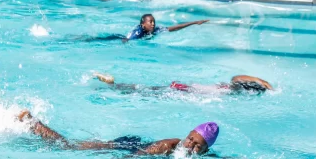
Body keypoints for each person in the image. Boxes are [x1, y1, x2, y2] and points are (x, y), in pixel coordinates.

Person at [17, 110, 219, 156]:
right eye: (191, 138)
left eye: (197, 145)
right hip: (126, 147)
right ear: (189, 133)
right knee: (69, 147)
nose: (190, 145)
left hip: (135, 144)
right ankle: (33, 123)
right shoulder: (168, 146)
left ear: (205, 150)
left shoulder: (202, 156)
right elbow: (136, 157)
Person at [93, 73, 274, 95]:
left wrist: (262, 81)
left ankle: (115, 86)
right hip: (185, 92)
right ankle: (114, 86)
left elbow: (237, 77)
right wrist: (262, 82)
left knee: (144, 90)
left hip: (185, 90)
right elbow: (237, 78)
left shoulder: (232, 89)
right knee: (144, 91)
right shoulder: (233, 91)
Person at [125, 14, 208, 41]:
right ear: (143, 24)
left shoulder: (155, 30)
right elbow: (126, 41)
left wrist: (194, 22)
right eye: (150, 22)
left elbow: (174, 28)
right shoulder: (138, 32)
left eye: (154, 21)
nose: (153, 24)